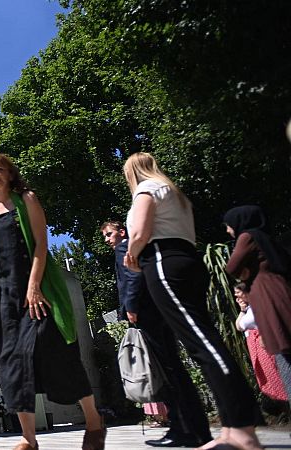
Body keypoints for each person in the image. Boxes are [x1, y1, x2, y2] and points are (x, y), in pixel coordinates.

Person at [0, 154, 105, 450]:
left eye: (0, 169)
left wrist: (34, 287)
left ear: (11, 174)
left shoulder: (26, 199)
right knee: (11, 364)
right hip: (8, 298)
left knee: (54, 350)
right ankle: (29, 439)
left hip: (38, 289)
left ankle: (94, 422)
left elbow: (41, 245)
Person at [122, 152, 262, 450]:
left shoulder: (146, 190)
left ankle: (240, 429)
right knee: (205, 338)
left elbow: (143, 231)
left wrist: (132, 255)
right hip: (185, 259)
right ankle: (232, 428)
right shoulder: (173, 192)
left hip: (161, 261)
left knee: (202, 344)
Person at [100, 221, 212, 447]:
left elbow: (133, 276)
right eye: (105, 236)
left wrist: (130, 306)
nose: (107, 240)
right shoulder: (132, 247)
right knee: (170, 368)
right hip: (155, 311)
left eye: (109, 234)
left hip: (146, 313)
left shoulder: (125, 247)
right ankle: (188, 426)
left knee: (166, 369)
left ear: (122, 232)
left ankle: (184, 427)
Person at [224, 205, 291, 407]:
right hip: (278, 294)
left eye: (228, 225)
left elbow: (231, 267)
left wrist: (243, 272)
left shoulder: (248, 236)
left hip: (268, 297)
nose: (228, 230)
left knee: (284, 356)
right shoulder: (266, 239)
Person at [233, 283, 288, 402]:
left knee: (279, 374)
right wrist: (242, 310)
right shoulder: (248, 309)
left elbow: (266, 318)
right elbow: (239, 326)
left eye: (237, 292)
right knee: (271, 378)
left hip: (265, 345)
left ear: (245, 291)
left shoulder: (257, 304)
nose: (235, 295)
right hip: (256, 349)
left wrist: (264, 333)